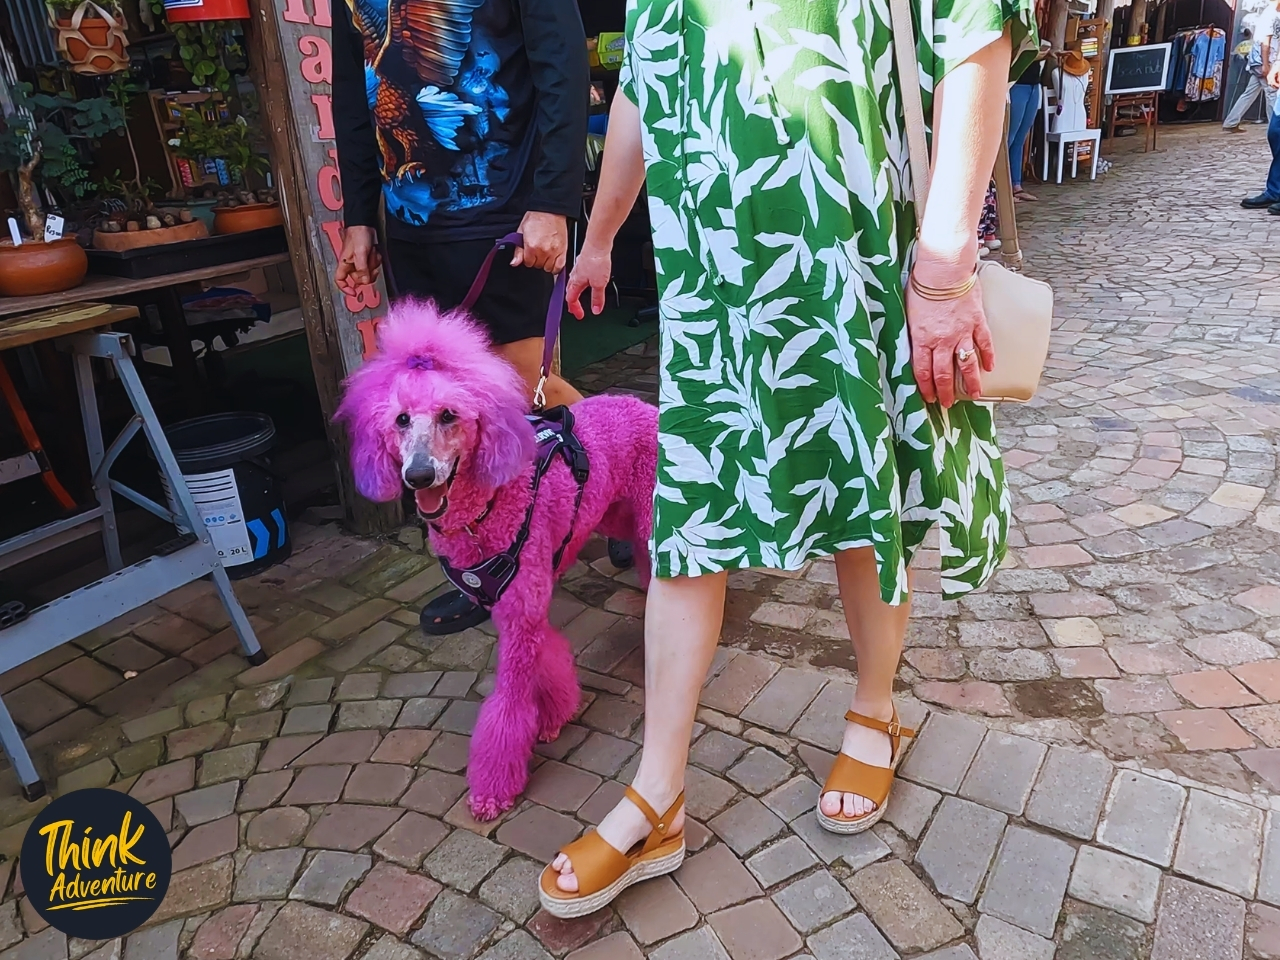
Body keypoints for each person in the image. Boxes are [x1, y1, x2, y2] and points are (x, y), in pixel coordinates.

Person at [536, 0, 1035, 915]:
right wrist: (600, 236)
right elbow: (642, 97)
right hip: (714, 295)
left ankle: (876, 707)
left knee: (859, 489)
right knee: (690, 523)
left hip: (849, 266)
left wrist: (945, 266)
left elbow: (975, 33)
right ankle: (659, 793)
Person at [330, 0, 600, 634]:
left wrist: (554, 201)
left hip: (504, 215)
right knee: (449, 420)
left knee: (528, 388)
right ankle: (484, 573)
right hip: (412, 225)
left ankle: (626, 486)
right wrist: (362, 217)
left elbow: (561, 66)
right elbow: (356, 96)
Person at [1241, 3, 1280, 212]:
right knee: (1276, 132)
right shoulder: (1271, 12)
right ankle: (1275, 191)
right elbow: (1267, 37)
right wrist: (1274, 64)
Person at [1009, 41, 1050, 200]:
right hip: (1017, 84)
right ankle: (1001, 187)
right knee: (1009, 138)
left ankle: (1016, 185)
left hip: (1034, 85)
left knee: (1020, 139)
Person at [1223, 26, 1277, 130]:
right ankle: (1275, 127)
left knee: (1249, 93)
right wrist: (1266, 64)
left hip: (1258, 63)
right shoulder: (1272, 21)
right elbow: (1266, 45)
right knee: (1271, 92)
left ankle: (1231, 122)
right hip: (1263, 63)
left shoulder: (1267, 22)